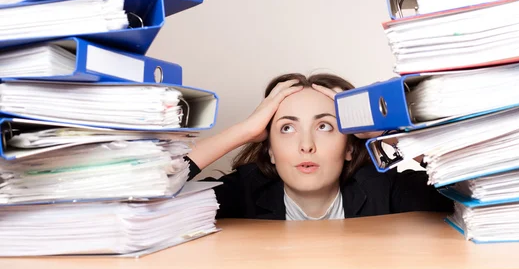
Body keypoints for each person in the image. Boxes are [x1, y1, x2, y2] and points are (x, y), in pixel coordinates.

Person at [186, 72, 453, 220]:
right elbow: (152, 196)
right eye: (287, 128)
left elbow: (475, 192)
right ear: (270, 149)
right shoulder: (245, 189)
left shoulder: (383, 188)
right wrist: (243, 131)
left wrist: (387, 133)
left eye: (324, 126)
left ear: (349, 147)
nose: (306, 145)